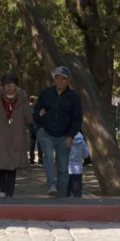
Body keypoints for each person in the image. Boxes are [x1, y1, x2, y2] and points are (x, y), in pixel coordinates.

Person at [34, 65, 83, 197]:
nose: (60, 81)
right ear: (54, 79)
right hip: (46, 132)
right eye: (57, 78)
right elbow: (36, 112)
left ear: (68, 80)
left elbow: (77, 119)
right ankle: (51, 185)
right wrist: (40, 117)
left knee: (63, 167)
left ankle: (61, 197)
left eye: (63, 79)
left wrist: (71, 135)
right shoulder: (46, 93)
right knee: (48, 157)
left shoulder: (74, 97)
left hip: (64, 136)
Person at [0, 72, 33, 198]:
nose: (9, 87)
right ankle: (3, 190)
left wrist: (33, 117)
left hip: (16, 138)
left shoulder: (22, 99)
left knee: (12, 166)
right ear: (2, 86)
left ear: (16, 86)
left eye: (12, 84)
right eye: (6, 84)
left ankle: (9, 193)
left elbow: (29, 119)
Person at [66, 131, 90, 198]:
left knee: (65, 192)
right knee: (77, 192)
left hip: (66, 168)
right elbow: (86, 154)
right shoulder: (81, 140)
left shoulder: (64, 139)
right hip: (78, 169)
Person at [28, 95, 43, 165]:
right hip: (38, 127)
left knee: (32, 144)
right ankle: (40, 160)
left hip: (31, 127)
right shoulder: (39, 108)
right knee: (39, 145)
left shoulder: (28, 108)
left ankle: (31, 160)